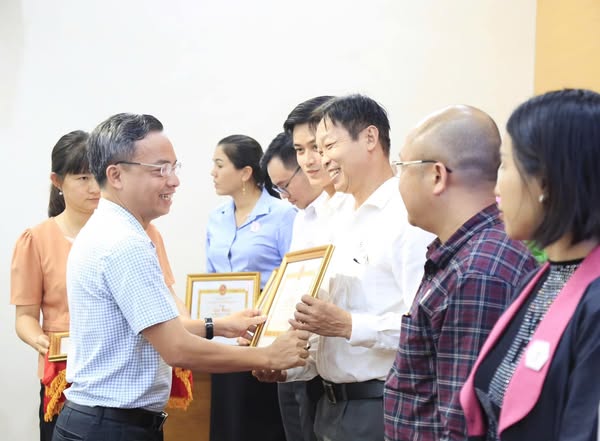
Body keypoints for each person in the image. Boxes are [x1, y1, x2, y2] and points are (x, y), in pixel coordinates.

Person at [54, 114, 309, 441]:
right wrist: (268, 355)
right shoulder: (124, 243)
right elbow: (175, 348)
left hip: (104, 422)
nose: (174, 181)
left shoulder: (111, 230)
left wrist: (219, 326)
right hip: (110, 428)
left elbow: (152, 328)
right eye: (160, 169)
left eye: (174, 168)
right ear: (116, 175)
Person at [382, 105, 537, 441]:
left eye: (402, 167)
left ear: (437, 175)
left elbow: (466, 424)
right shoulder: (464, 254)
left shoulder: (478, 272)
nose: (398, 182)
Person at [286, 94, 433, 441]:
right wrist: (290, 366)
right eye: (316, 149)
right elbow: (326, 326)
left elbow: (427, 327)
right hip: (329, 406)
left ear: (369, 138)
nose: (322, 159)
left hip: (380, 405)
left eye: (328, 146)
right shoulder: (335, 217)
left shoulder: (408, 215)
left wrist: (349, 325)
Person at [460, 89, 600, 441]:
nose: (496, 187)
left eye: (505, 165)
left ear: (547, 182)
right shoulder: (543, 278)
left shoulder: (595, 303)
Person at [207, 134, 298, 441]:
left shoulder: (283, 214)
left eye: (220, 164)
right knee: (227, 423)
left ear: (245, 172)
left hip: (262, 336)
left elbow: (293, 277)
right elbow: (210, 278)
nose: (213, 172)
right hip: (224, 339)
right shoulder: (216, 219)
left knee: (259, 424)